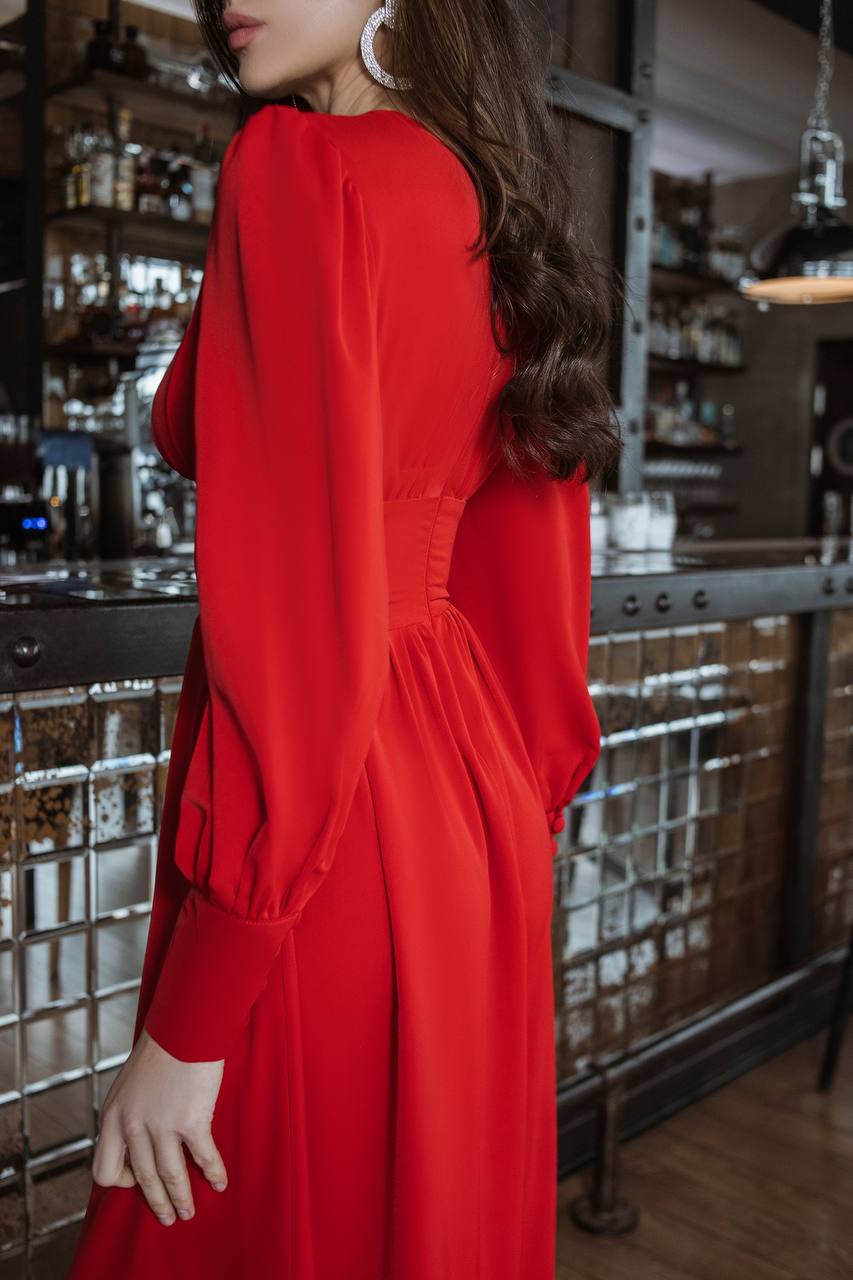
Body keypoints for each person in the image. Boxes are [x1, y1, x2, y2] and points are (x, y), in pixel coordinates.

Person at [67, 0, 621, 1275]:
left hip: (323, 814)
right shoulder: (501, 210)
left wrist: (199, 1004)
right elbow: (532, 585)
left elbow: (302, 595)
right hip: (470, 823)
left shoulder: (293, 169)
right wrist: (502, 821)